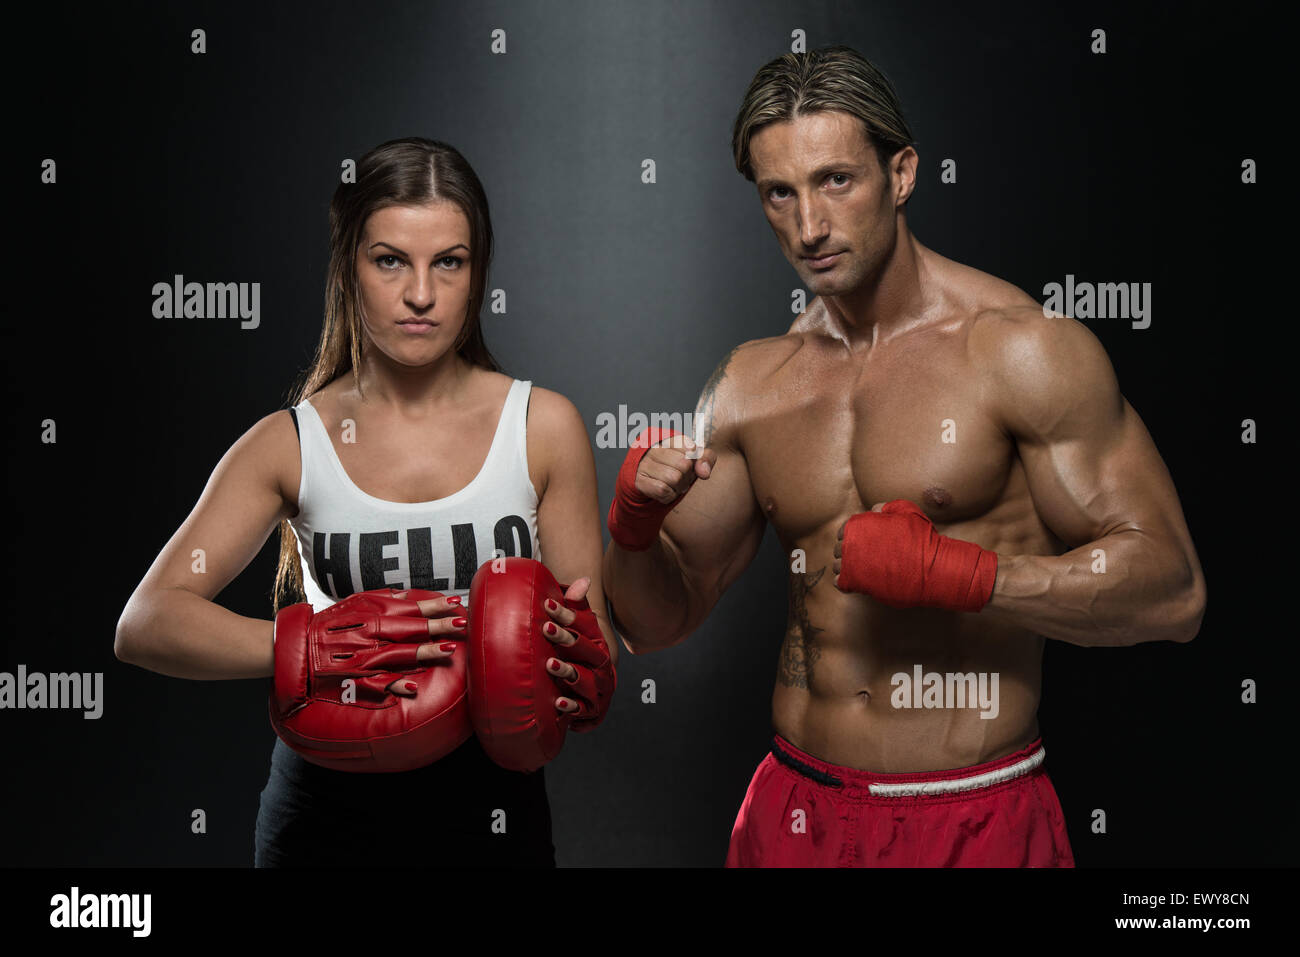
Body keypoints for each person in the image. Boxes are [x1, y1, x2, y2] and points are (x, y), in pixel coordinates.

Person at [602, 47, 1206, 867]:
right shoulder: (752, 383)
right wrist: (634, 529)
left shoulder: (1021, 351)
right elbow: (652, 619)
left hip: (968, 817)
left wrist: (968, 576)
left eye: (836, 181)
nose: (809, 225)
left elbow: (1173, 592)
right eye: (780, 193)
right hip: (794, 810)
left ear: (905, 173)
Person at [115, 137, 615, 867]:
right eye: (390, 260)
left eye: (450, 260)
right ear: (348, 268)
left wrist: (583, 669)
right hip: (324, 815)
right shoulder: (292, 441)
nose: (421, 293)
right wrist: (306, 646)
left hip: (492, 813)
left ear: (478, 275)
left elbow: (589, 634)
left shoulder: (543, 427)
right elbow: (146, 621)